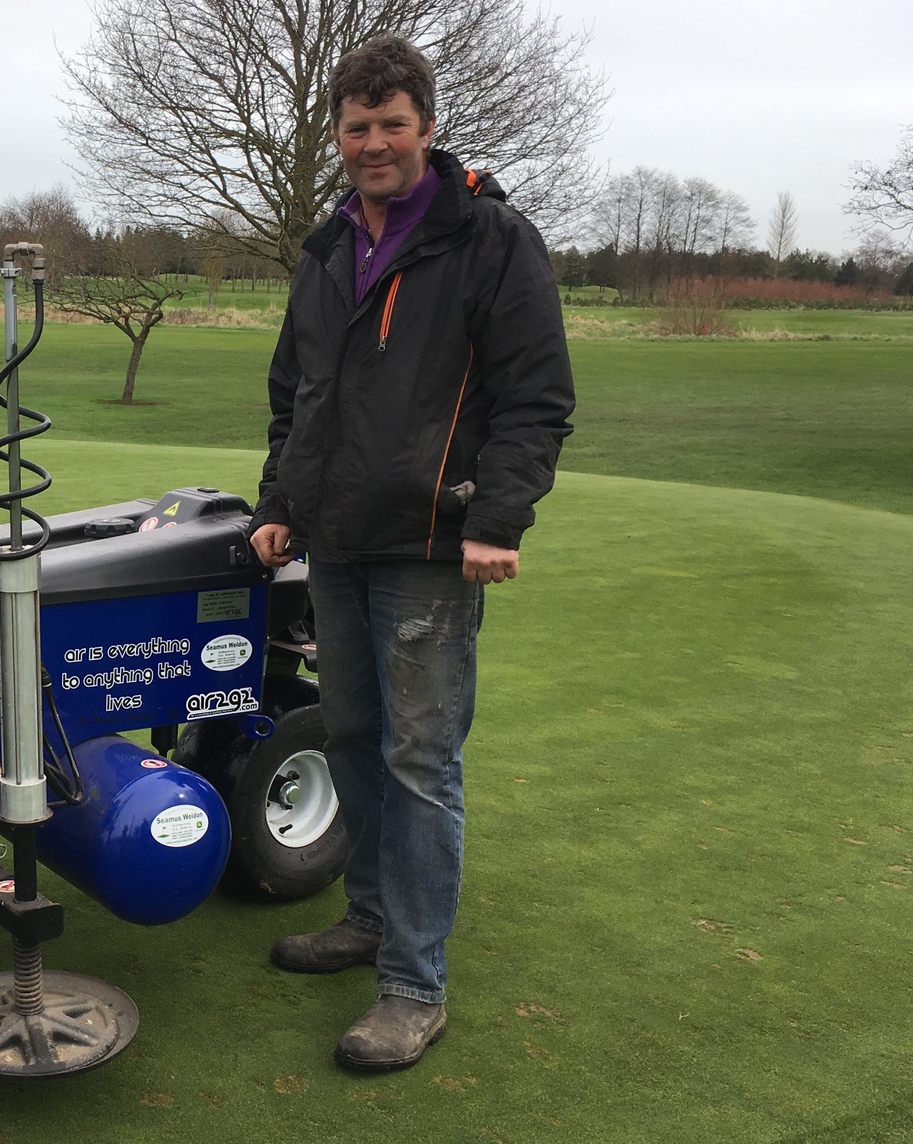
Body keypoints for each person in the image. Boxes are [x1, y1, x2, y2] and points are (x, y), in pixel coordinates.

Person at [248, 34, 575, 1072]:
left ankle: (413, 987)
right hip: (335, 541)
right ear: (337, 136)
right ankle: (370, 920)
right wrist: (277, 502)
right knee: (350, 736)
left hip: (435, 544)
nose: (374, 143)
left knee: (419, 760)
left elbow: (536, 398)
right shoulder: (327, 246)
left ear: (427, 128)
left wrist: (497, 518)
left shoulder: (490, 239)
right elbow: (296, 394)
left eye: (393, 124)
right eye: (357, 127)